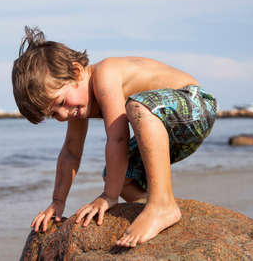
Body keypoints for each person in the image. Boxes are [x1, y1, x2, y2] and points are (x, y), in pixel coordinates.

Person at [11, 26, 216, 247]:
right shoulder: (77, 106)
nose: (63, 114)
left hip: (195, 104)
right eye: (53, 114)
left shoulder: (104, 74)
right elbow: (71, 152)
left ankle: (162, 205)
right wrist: (57, 203)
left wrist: (108, 196)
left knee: (137, 108)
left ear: (77, 72)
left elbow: (117, 138)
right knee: (119, 177)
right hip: (165, 131)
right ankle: (153, 208)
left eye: (61, 102)